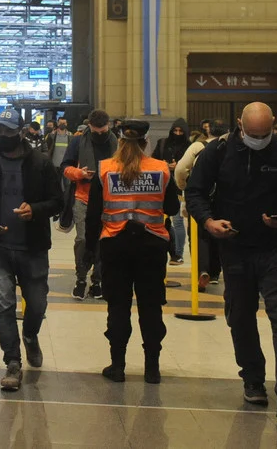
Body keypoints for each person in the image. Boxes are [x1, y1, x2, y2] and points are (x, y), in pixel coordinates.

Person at [185, 102, 277, 420]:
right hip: (235, 248)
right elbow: (195, 192)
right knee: (241, 318)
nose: (259, 139)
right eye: (253, 134)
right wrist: (208, 222)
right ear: (240, 126)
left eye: (265, 134)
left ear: (273, 126)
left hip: (275, 249)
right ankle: (253, 380)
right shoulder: (218, 151)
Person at [0, 109, 64, 391]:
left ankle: (31, 335)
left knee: (37, 304)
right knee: (4, 304)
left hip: (31, 246)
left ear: (20, 132)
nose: (2, 136)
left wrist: (34, 210)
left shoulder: (41, 163)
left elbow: (57, 201)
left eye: (8, 132)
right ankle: (12, 361)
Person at [86, 120, 180, 384]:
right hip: (152, 246)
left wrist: (89, 254)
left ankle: (117, 367)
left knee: (118, 306)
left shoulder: (105, 168)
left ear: (120, 140)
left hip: (115, 245)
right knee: (150, 307)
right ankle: (152, 369)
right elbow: (172, 207)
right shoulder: (161, 169)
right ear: (145, 141)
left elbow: (94, 215)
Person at [61, 109, 116, 300]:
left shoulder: (116, 142)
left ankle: (97, 280)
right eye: (96, 131)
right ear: (89, 126)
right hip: (83, 196)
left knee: (104, 241)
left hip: (109, 199)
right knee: (83, 239)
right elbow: (65, 167)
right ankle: (81, 278)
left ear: (108, 125)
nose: (100, 134)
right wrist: (79, 174)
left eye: (103, 131)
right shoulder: (77, 141)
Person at [176, 120, 228, 289]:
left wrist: (184, 187)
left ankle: (201, 270)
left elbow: (181, 169)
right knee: (220, 233)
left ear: (208, 131)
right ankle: (215, 272)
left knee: (198, 234)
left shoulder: (198, 147)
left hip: (200, 196)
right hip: (224, 198)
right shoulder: (231, 147)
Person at [152, 118, 192, 265]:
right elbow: (152, 160)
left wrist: (179, 166)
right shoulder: (163, 143)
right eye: (175, 131)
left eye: (181, 131)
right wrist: (161, 164)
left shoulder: (189, 146)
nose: (177, 133)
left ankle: (177, 254)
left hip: (179, 187)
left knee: (178, 221)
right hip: (161, 185)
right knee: (163, 221)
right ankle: (168, 250)